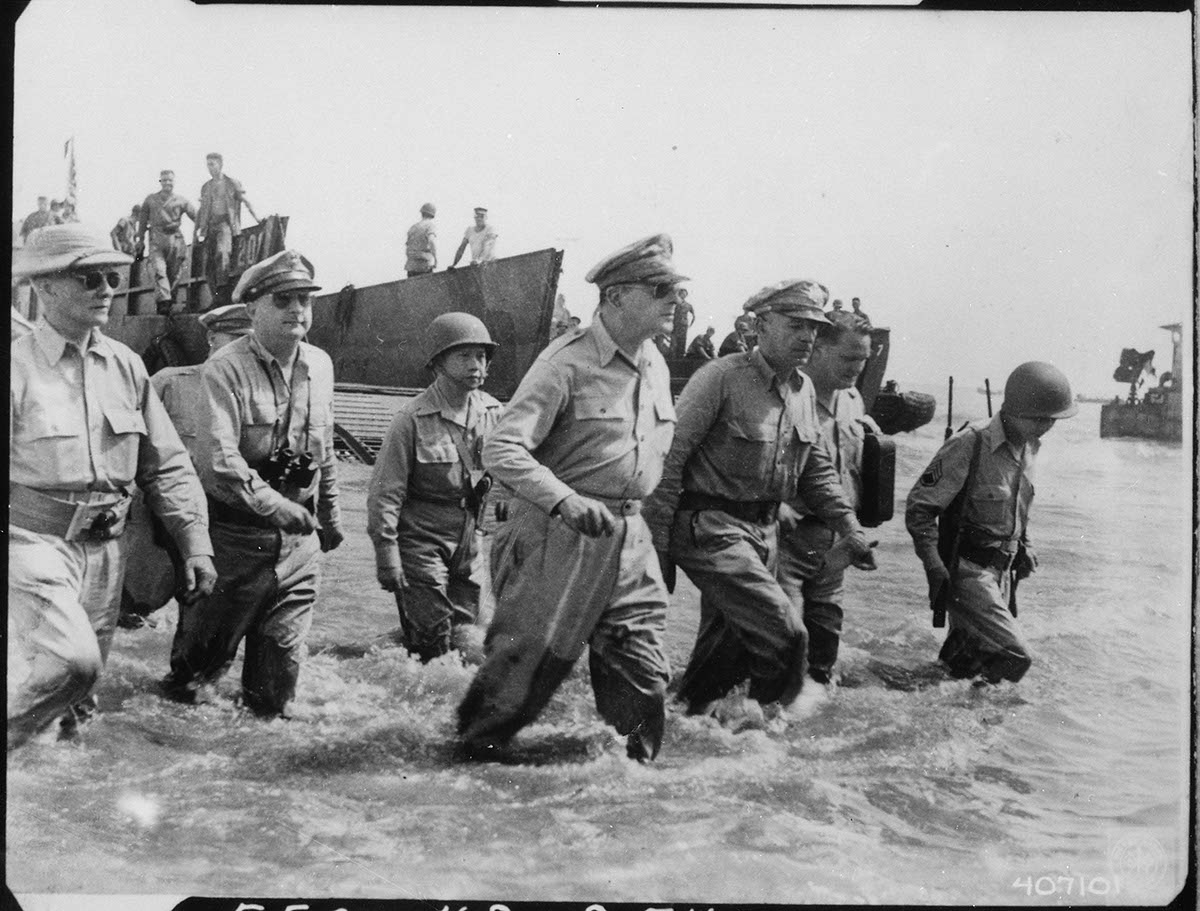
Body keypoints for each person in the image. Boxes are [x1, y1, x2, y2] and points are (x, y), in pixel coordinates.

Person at [456, 233, 687, 762]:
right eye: (659, 289)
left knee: (645, 676)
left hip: (629, 539)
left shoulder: (653, 364)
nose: (673, 300)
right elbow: (503, 448)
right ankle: (461, 784)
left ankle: (631, 799)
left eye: (674, 289)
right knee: (518, 686)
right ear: (615, 297)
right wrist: (563, 500)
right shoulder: (566, 363)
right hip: (557, 534)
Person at [8, 224, 216, 749]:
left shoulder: (126, 366)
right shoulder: (16, 367)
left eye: (111, 276)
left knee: (83, 695)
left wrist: (193, 542)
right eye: (88, 278)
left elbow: (165, 465)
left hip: (106, 551)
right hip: (32, 545)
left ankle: (57, 806)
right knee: (69, 662)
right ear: (44, 287)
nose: (106, 288)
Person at [645, 279, 876, 730]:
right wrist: (658, 547)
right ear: (760, 325)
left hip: (765, 535)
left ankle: (682, 728)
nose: (808, 336)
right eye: (795, 325)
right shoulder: (720, 378)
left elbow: (817, 471)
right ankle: (768, 731)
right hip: (711, 528)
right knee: (787, 635)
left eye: (813, 326)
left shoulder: (803, 389)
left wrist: (850, 529)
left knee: (724, 656)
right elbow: (669, 459)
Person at [162, 250, 344, 717]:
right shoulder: (225, 368)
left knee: (276, 691)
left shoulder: (320, 366)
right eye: (283, 300)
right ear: (252, 310)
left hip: (299, 546)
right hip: (234, 540)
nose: (297, 311)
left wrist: (331, 515)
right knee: (195, 684)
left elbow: (323, 450)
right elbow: (218, 462)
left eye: (305, 300)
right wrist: (274, 505)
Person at [905, 361, 1078, 684]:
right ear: (1014, 411)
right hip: (968, 572)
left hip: (1002, 572)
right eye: (1039, 419)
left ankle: (936, 715)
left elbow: (1017, 505)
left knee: (963, 669)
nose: (1046, 427)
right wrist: (933, 565)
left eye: (1052, 420)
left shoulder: (1029, 447)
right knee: (1014, 656)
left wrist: (1024, 546)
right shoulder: (971, 442)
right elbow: (920, 508)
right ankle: (975, 721)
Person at [367, 313, 502, 661]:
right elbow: (385, 494)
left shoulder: (493, 413)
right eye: (464, 356)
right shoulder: (410, 419)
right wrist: (387, 556)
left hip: (470, 543)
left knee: (471, 637)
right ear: (438, 363)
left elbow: (511, 479)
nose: (476, 365)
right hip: (421, 545)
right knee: (432, 643)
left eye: (482, 356)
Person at [119, 304, 255, 629]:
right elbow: (126, 449)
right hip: (163, 521)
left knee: (204, 622)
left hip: (225, 527)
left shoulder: (256, 397)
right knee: (136, 609)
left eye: (250, 342)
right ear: (211, 337)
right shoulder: (169, 383)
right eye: (234, 338)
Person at [776, 311, 879, 689]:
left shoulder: (852, 400)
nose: (857, 368)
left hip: (835, 546)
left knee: (822, 654)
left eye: (863, 359)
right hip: (787, 541)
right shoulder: (786, 397)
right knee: (782, 646)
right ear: (818, 349)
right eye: (848, 358)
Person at [196, 153, 259, 295]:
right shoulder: (206, 187)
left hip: (225, 224)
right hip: (208, 227)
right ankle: (215, 296)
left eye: (212, 164)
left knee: (222, 253)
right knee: (208, 264)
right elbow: (201, 210)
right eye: (208, 165)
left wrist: (258, 219)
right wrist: (197, 230)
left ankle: (222, 290)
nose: (210, 168)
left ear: (220, 164)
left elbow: (245, 201)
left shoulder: (231, 183)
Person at [138, 170, 198, 314]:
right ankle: (164, 301)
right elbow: (142, 221)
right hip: (157, 238)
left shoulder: (181, 200)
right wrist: (140, 240)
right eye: (164, 180)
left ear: (174, 181)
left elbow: (197, 216)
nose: (167, 183)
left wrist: (201, 232)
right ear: (160, 182)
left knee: (175, 273)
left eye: (170, 180)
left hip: (175, 238)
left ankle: (169, 302)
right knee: (159, 270)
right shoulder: (150, 199)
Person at [405, 203, 438, 277]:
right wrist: (435, 259)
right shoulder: (430, 226)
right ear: (432, 215)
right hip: (424, 266)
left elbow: (408, 244)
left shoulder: (412, 228)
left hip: (411, 267)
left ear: (422, 213)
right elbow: (431, 241)